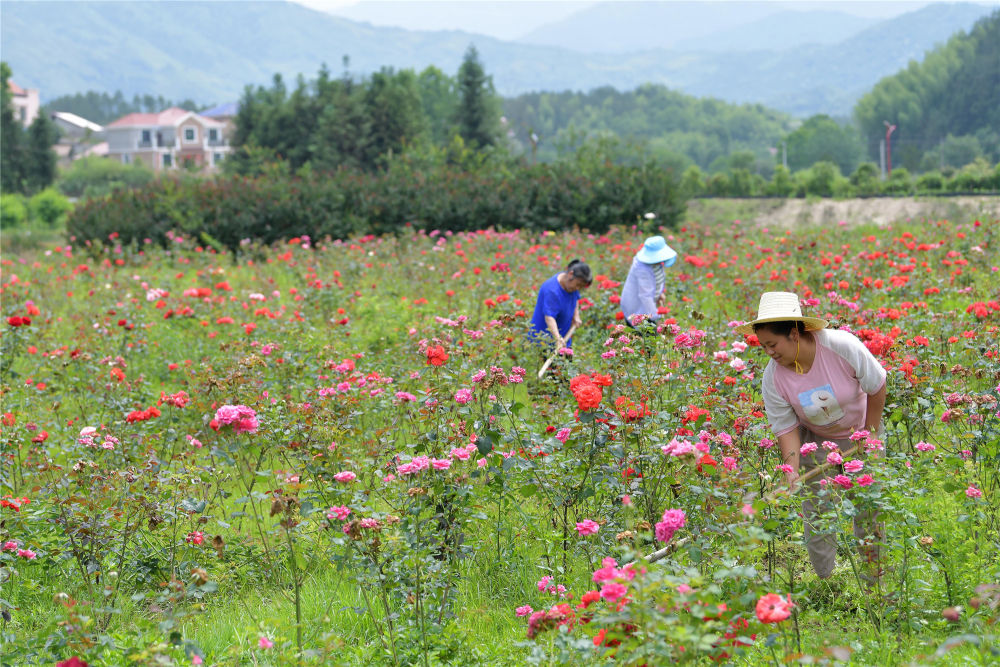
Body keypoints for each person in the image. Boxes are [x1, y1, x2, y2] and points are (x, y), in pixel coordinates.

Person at [737, 291, 887, 580]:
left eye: (772, 344)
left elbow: (877, 384)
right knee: (818, 512)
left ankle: (874, 580)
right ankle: (826, 582)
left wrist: (869, 434)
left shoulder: (840, 346)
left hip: (862, 433)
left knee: (868, 509)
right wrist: (791, 471)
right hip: (817, 441)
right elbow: (785, 428)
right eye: (763, 346)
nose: (769, 352)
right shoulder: (774, 378)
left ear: (794, 333)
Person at [529, 259, 592, 351]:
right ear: (570, 274)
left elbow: (575, 298)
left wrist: (576, 315)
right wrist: (557, 339)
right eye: (578, 285)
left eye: (580, 287)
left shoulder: (570, 283)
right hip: (544, 343)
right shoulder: (552, 290)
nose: (577, 288)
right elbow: (549, 317)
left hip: (564, 340)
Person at [620, 236, 677, 328]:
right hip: (637, 308)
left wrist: (659, 294)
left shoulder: (656, 263)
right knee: (644, 334)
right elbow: (645, 296)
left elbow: (656, 281)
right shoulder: (642, 269)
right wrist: (656, 319)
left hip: (647, 306)